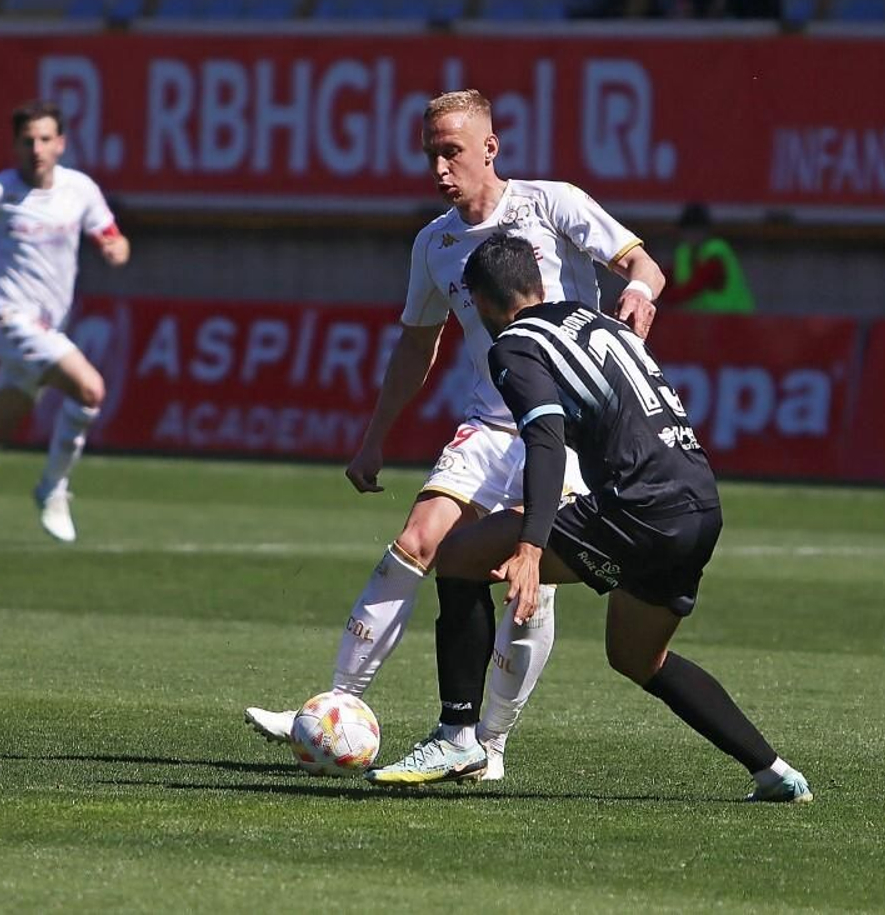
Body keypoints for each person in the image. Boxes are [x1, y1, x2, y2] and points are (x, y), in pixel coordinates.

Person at [244, 89, 664, 782]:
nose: (440, 168)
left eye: (452, 152)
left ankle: (489, 746)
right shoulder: (435, 244)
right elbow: (417, 344)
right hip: (490, 422)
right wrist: (375, 437)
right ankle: (332, 709)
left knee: (525, 582)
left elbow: (642, 264)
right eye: (430, 154)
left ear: (490, 148)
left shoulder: (553, 204)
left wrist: (641, 292)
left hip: (566, 430)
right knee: (415, 542)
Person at [366, 235, 811, 803]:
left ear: (477, 303)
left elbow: (546, 440)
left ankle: (458, 736)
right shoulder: (595, 320)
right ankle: (774, 773)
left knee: (459, 555)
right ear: (538, 282)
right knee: (636, 657)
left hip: (639, 507)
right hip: (699, 503)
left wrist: (529, 548)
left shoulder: (515, 346)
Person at [0, 101, 131, 570]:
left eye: (44, 139)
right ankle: (53, 487)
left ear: (61, 144)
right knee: (90, 388)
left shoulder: (80, 190)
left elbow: (111, 234)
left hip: (47, 329)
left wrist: (116, 249)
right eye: (27, 140)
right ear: (15, 145)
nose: (36, 148)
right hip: (7, 321)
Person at [657, 202, 754, 313]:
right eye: (688, 230)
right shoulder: (684, 252)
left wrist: (661, 301)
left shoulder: (715, 253)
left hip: (734, 319)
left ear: (707, 231)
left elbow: (694, 286)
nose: (693, 235)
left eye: (697, 230)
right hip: (707, 321)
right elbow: (667, 277)